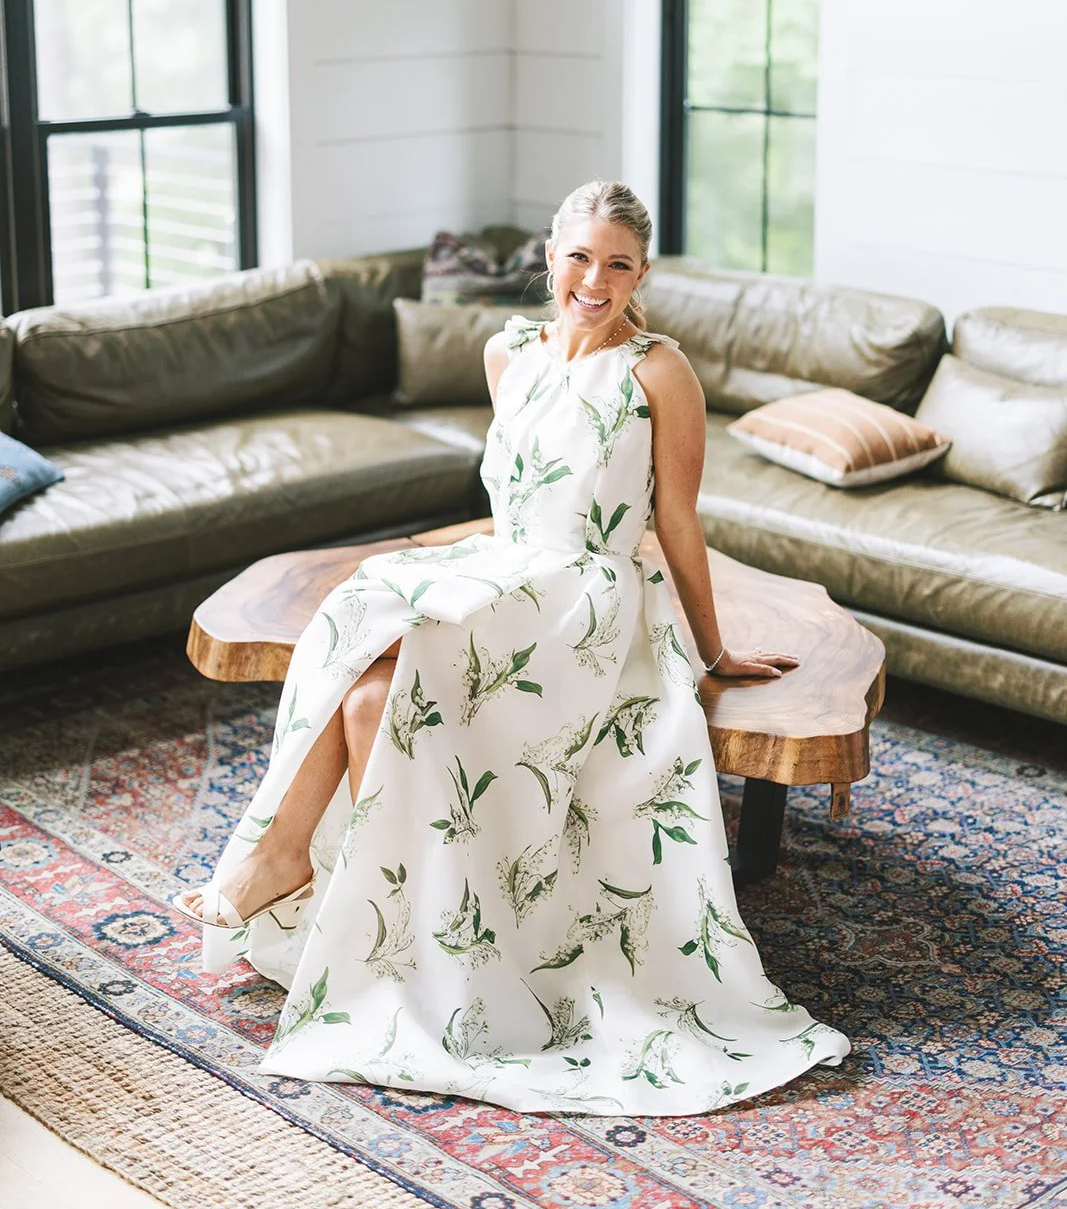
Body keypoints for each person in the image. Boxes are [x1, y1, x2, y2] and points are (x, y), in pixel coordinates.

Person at [175, 178, 850, 1114]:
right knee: (367, 667)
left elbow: (679, 525)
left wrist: (712, 650)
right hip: (509, 572)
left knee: (392, 633)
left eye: (618, 263)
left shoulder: (658, 370)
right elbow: (514, 502)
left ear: (641, 273)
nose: (595, 278)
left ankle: (283, 865)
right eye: (579, 255)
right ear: (549, 255)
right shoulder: (508, 352)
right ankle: (379, 912)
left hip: (588, 598)